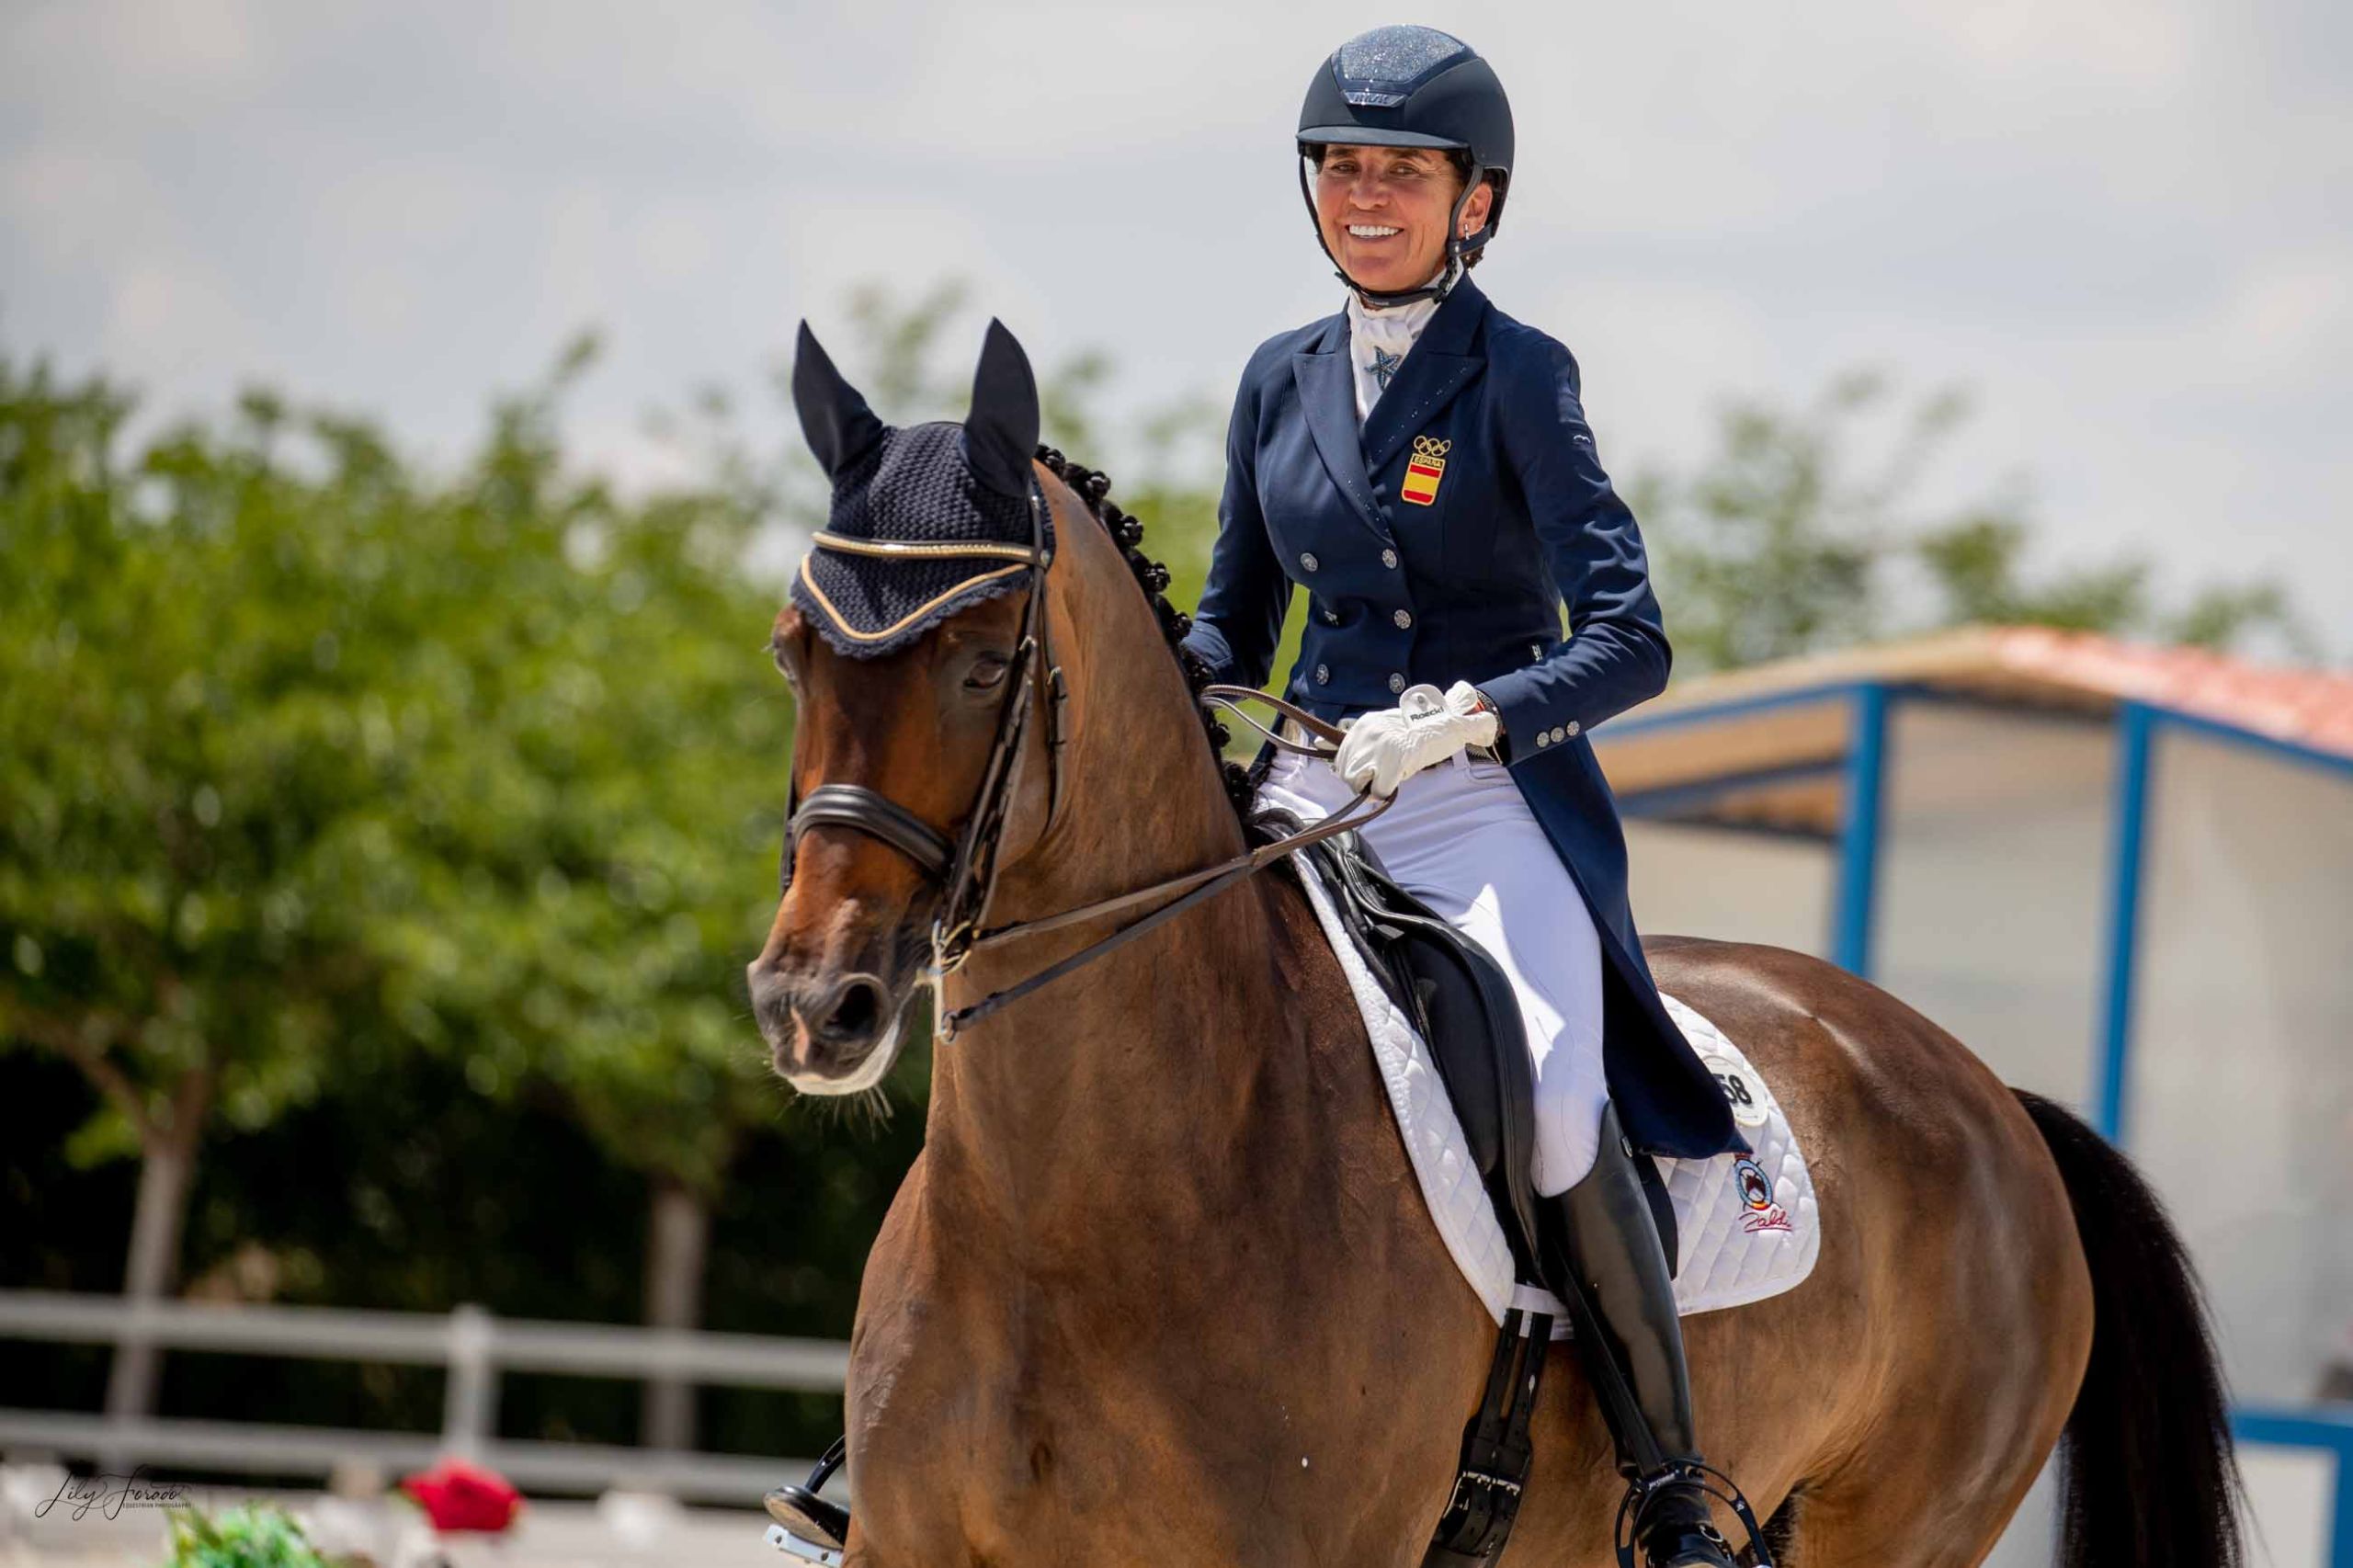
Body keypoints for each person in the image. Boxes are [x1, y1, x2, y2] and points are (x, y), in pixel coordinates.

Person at [1176, 27, 1750, 1568]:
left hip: (1474, 795)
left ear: (1472, 200)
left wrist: (1472, 719)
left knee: (1559, 1092)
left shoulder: (1519, 375)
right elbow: (1235, 619)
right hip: (1305, 785)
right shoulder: (1275, 376)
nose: (1366, 196)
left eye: (1401, 173)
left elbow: (1635, 639)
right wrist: (1152, 673)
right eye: (1342, 170)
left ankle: (1668, 1482)